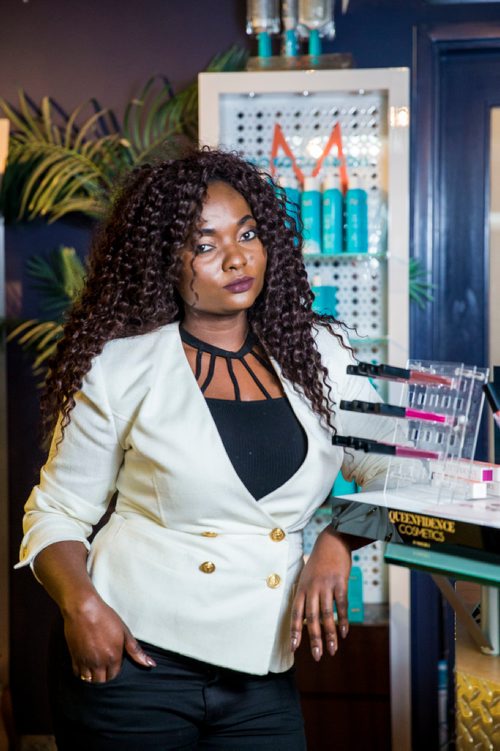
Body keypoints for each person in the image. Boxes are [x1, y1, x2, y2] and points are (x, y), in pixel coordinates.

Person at [17, 148, 398, 750]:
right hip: (133, 660)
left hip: (260, 668)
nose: (237, 257)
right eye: (205, 244)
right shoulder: (120, 367)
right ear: (164, 260)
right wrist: (82, 606)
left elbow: (398, 468)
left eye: (247, 233)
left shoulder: (321, 354)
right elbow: (56, 512)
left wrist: (338, 538)